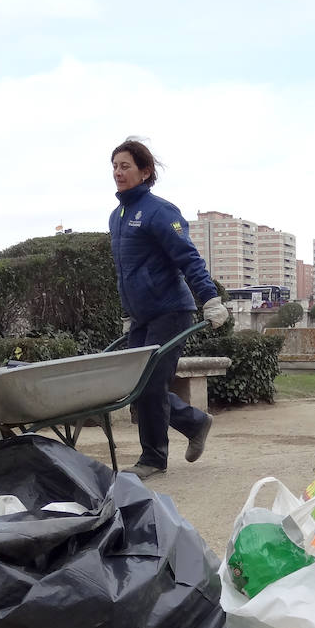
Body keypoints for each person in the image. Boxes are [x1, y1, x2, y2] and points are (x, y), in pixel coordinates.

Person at [108, 139, 229, 480]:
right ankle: (195, 422)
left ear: (145, 172)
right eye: (115, 166)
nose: (118, 172)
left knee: (149, 386)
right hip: (143, 316)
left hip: (170, 311)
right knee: (135, 386)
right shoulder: (118, 216)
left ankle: (153, 459)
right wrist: (129, 312)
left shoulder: (160, 211)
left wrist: (210, 299)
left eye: (125, 166)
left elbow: (187, 257)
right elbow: (127, 271)